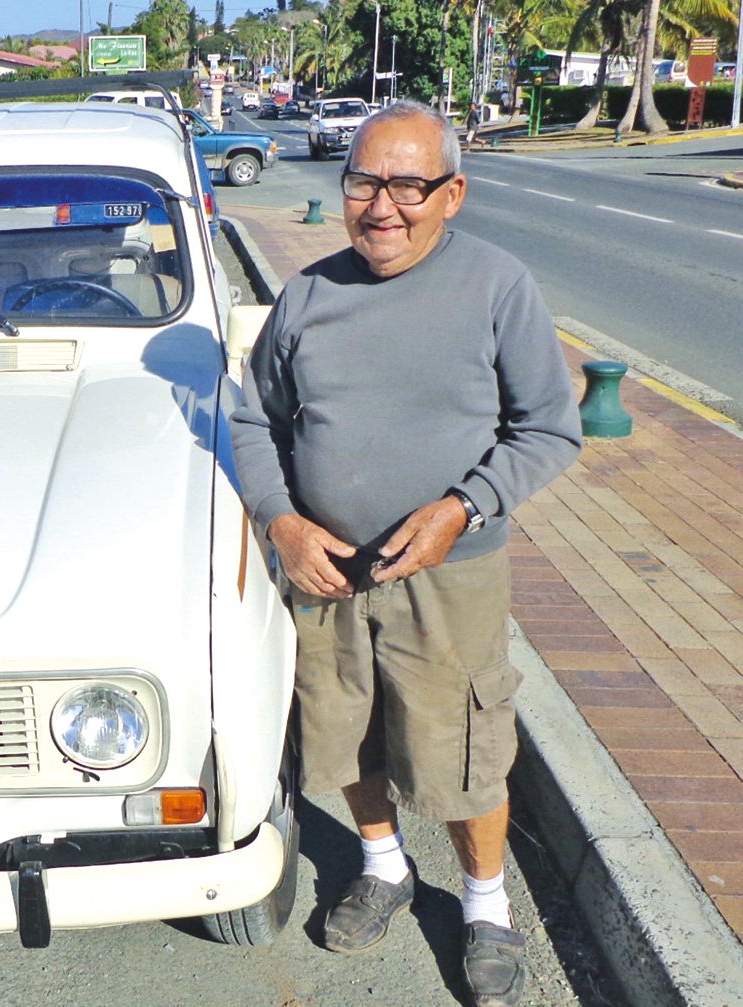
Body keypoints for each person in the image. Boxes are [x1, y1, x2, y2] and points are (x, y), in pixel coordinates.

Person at [229, 99, 581, 1007]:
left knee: (464, 745)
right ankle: (383, 865)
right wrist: (282, 522)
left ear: (451, 193)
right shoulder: (308, 295)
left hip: (449, 574)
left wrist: (464, 507)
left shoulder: (497, 286)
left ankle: (486, 904)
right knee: (343, 729)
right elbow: (254, 422)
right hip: (327, 570)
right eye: (363, 182)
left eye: (408, 186)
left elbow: (550, 428)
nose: (381, 205)